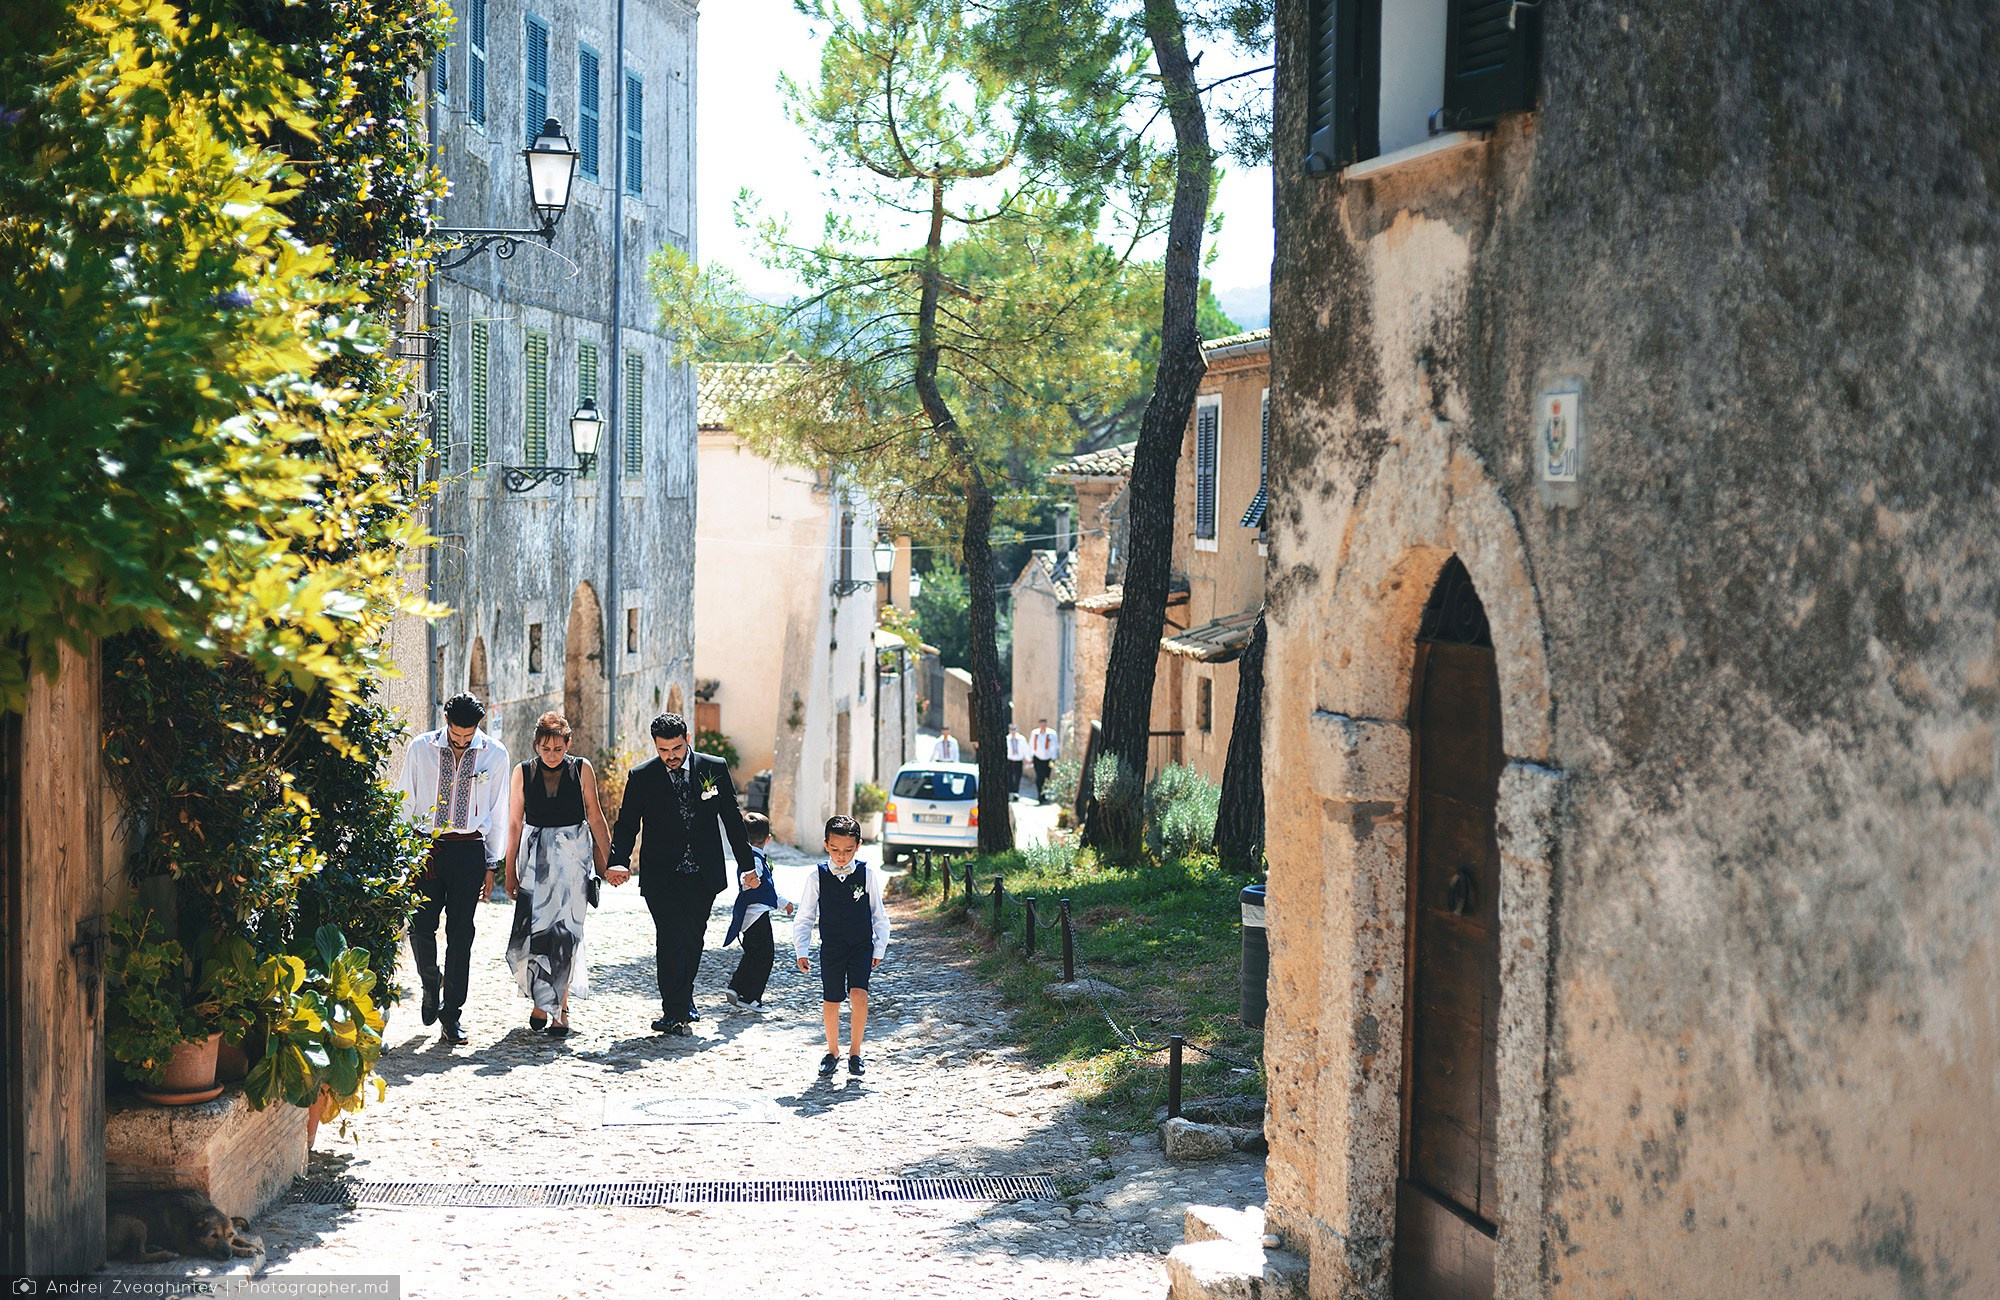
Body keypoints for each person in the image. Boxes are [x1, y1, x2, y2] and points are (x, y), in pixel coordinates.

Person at [606, 712, 755, 1036]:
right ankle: (674, 1011)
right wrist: (618, 861)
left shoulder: (712, 768)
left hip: (703, 873)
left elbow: (731, 819)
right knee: (670, 937)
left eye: (675, 749)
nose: (670, 757)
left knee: (693, 938)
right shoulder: (643, 776)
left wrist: (748, 866)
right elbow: (628, 823)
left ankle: (684, 1000)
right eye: (663, 751)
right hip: (662, 875)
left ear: (687, 740)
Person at [392, 693, 511, 1046]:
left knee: (462, 935)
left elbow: (499, 809)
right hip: (427, 848)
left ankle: (452, 1016)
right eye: (456, 735)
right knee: (420, 926)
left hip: (470, 851)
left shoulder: (495, 753)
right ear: (446, 722)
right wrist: (405, 855)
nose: (461, 741)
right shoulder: (421, 748)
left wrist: (492, 864)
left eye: (468, 735)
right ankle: (431, 983)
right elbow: (405, 799)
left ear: (478, 726)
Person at [503, 712, 613, 1039]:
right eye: (545, 748)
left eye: (558, 748)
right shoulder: (523, 772)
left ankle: (559, 1008)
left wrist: (610, 861)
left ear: (568, 743)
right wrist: (509, 871)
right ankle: (541, 999)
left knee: (566, 932)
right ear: (536, 745)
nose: (552, 754)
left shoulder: (582, 769)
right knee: (537, 931)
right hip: (535, 858)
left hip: (574, 856)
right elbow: (513, 824)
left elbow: (595, 816)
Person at [794, 815, 890, 1078]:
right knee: (832, 999)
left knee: (859, 994)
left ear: (858, 846)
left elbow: (878, 915)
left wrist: (879, 948)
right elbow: (805, 916)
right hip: (832, 947)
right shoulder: (817, 876)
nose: (841, 856)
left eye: (848, 850)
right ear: (826, 845)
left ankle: (856, 1051)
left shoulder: (866, 874)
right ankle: (833, 1050)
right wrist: (801, 950)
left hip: (861, 945)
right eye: (835, 850)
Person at [721, 812, 792, 1011]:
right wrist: (784, 903)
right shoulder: (755, 862)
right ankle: (752, 998)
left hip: (746, 916)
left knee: (752, 953)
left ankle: (736, 987)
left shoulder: (747, 858)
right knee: (765, 955)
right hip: (758, 916)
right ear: (768, 839)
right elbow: (761, 888)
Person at [1029, 718, 1060, 802]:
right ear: (1039, 725)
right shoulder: (1035, 733)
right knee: (1039, 777)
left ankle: (1044, 794)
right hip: (1037, 758)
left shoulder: (1052, 734)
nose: (1043, 726)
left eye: (1044, 724)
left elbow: (1055, 747)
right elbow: (1031, 745)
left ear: (1046, 724)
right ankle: (1040, 795)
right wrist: (1030, 757)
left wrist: (1053, 759)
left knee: (1046, 777)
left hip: (1048, 759)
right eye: (1041, 724)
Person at [1004, 723, 1027, 799]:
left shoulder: (1021, 739)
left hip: (1018, 761)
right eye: (1011, 729)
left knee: (1018, 777)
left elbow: (1025, 749)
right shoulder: (1006, 739)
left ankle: (1016, 792)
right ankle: (1011, 792)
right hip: (1010, 761)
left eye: (1014, 729)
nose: (1013, 731)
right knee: (1009, 777)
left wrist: (1028, 759)